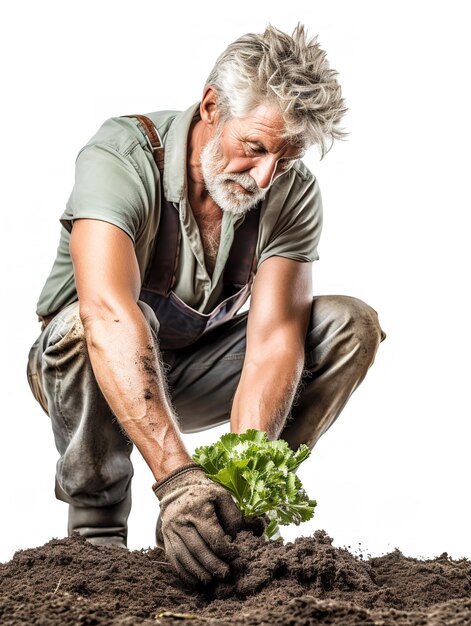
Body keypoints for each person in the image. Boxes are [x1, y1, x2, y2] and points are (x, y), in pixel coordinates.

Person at [27, 24, 385, 585]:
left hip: (192, 370)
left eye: (286, 159)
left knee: (349, 325)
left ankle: (231, 523)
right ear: (212, 106)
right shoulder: (120, 155)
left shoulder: (290, 192)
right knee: (89, 322)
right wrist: (177, 478)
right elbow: (107, 314)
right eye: (256, 147)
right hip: (86, 368)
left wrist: (242, 469)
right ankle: (96, 541)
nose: (267, 176)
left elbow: (272, 342)